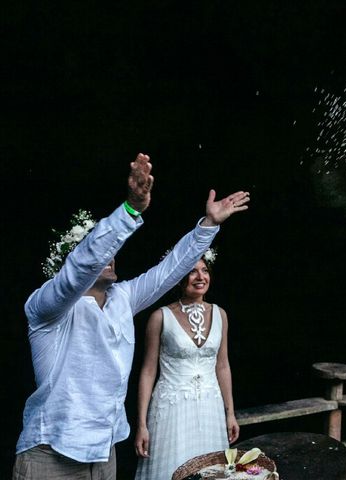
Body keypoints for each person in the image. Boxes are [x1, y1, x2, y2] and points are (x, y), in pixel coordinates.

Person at [13, 153, 250, 480]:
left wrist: (208, 225)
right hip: (51, 453)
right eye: (98, 249)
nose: (108, 255)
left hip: (104, 452)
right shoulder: (47, 305)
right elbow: (81, 266)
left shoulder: (123, 297)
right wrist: (131, 209)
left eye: (112, 251)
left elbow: (169, 271)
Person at [134, 248, 239, 479]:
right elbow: (148, 371)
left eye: (204, 270)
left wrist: (230, 412)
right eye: (192, 271)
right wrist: (141, 423)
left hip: (210, 408)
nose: (200, 277)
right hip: (172, 410)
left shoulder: (220, 314)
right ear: (179, 278)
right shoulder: (160, 317)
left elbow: (223, 365)